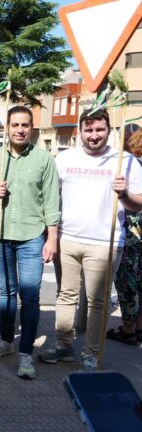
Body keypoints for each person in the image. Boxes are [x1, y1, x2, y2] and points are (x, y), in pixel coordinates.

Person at [38, 109, 142, 370]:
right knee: (65, 296)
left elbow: (138, 205)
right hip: (67, 238)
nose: (94, 135)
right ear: (79, 132)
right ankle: (63, 345)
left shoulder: (125, 160)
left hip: (105, 243)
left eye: (99, 130)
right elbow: (50, 195)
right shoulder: (64, 159)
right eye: (88, 130)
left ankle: (91, 353)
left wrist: (125, 193)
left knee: (98, 300)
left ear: (109, 130)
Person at [0, 106, 60, 380]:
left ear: (31, 128)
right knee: (6, 293)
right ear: (7, 128)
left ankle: (25, 352)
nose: (19, 130)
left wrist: (52, 238)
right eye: (15, 125)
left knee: (30, 295)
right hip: (1, 236)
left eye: (25, 125)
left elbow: (52, 201)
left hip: (31, 236)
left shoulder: (44, 159)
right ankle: (6, 341)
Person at [108, 127, 142, 345]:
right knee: (139, 280)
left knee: (127, 279)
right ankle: (137, 327)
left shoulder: (130, 162)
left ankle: (129, 329)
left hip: (131, 226)